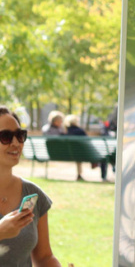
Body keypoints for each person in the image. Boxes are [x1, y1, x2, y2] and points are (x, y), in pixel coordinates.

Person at [0, 105, 62, 266]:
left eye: (20, 135)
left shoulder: (33, 195)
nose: (16, 143)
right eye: (6, 136)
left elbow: (44, 257)